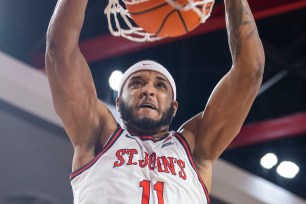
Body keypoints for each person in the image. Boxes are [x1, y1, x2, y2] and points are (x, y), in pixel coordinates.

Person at [45, 0, 264, 203]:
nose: (148, 90)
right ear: (119, 103)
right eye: (136, 83)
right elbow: (59, 50)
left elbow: (250, 70)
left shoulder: (195, 147)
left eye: (160, 85)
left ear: (174, 106)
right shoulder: (98, 135)